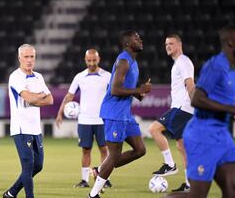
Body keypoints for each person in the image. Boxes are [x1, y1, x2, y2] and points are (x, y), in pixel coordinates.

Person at [165, 25, 235, 198]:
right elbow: (197, 99)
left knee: (233, 191)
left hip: (222, 135)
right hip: (203, 135)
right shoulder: (216, 66)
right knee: (197, 195)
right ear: (232, 43)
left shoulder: (231, 69)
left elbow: (219, 102)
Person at [87, 30, 152, 198]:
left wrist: (138, 94)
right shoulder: (124, 61)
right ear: (128, 43)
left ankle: (99, 169)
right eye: (136, 38)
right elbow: (115, 90)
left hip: (125, 114)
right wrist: (139, 89)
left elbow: (123, 87)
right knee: (114, 156)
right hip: (114, 113)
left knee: (140, 150)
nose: (140, 39)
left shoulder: (133, 62)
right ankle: (93, 194)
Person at [55, 49, 112, 188]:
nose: (92, 63)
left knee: (104, 150)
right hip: (84, 120)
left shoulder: (108, 76)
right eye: (89, 60)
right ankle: (84, 180)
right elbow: (69, 96)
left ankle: (104, 179)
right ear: (85, 60)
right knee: (86, 150)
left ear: (99, 59)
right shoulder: (80, 77)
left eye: (94, 60)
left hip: (102, 120)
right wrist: (60, 112)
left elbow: (115, 95)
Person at [3, 44, 53, 198]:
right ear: (19, 58)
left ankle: (11, 192)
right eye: (26, 57)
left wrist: (33, 98)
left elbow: (50, 100)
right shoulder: (15, 76)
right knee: (28, 166)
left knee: (38, 166)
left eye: (32, 57)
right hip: (21, 128)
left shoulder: (38, 77)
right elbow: (29, 98)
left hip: (35, 129)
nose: (29, 60)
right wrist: (37, 97)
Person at [149, 34, 195, 192]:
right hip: (182, 108)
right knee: (182, 146)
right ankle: (190, 184)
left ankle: (170, 165)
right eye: (166, 44)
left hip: (182, 108)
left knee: (154, 129)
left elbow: (190, 84)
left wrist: (196, 104)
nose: (168, 46)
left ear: (179, 45)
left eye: (171, 43)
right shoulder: (179, 63)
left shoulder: (183, 62)